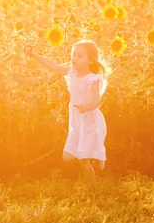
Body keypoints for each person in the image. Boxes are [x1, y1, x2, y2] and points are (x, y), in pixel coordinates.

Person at [24, 40, 109, 181]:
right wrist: (34, 54)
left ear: (90, 61)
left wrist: (86, 107)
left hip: (89, 121)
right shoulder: (71, 72)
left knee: (84, 161)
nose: (74, 58)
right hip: (76, 121)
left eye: (79, 56)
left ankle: (93, 186)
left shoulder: (92, 79)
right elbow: (54, 66)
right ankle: (91, 153)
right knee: (67, 157)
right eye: (73, 54)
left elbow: (96, 101)